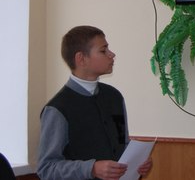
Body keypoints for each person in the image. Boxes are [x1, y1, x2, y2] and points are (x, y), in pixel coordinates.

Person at [37, 26, 152, 180]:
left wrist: (138, 162)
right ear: (81, 59)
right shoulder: (58, 108)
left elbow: (122, 145)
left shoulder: (114, 97)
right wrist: (91, 169)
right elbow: (46, 169)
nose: (112, 54)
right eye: (103, 51)